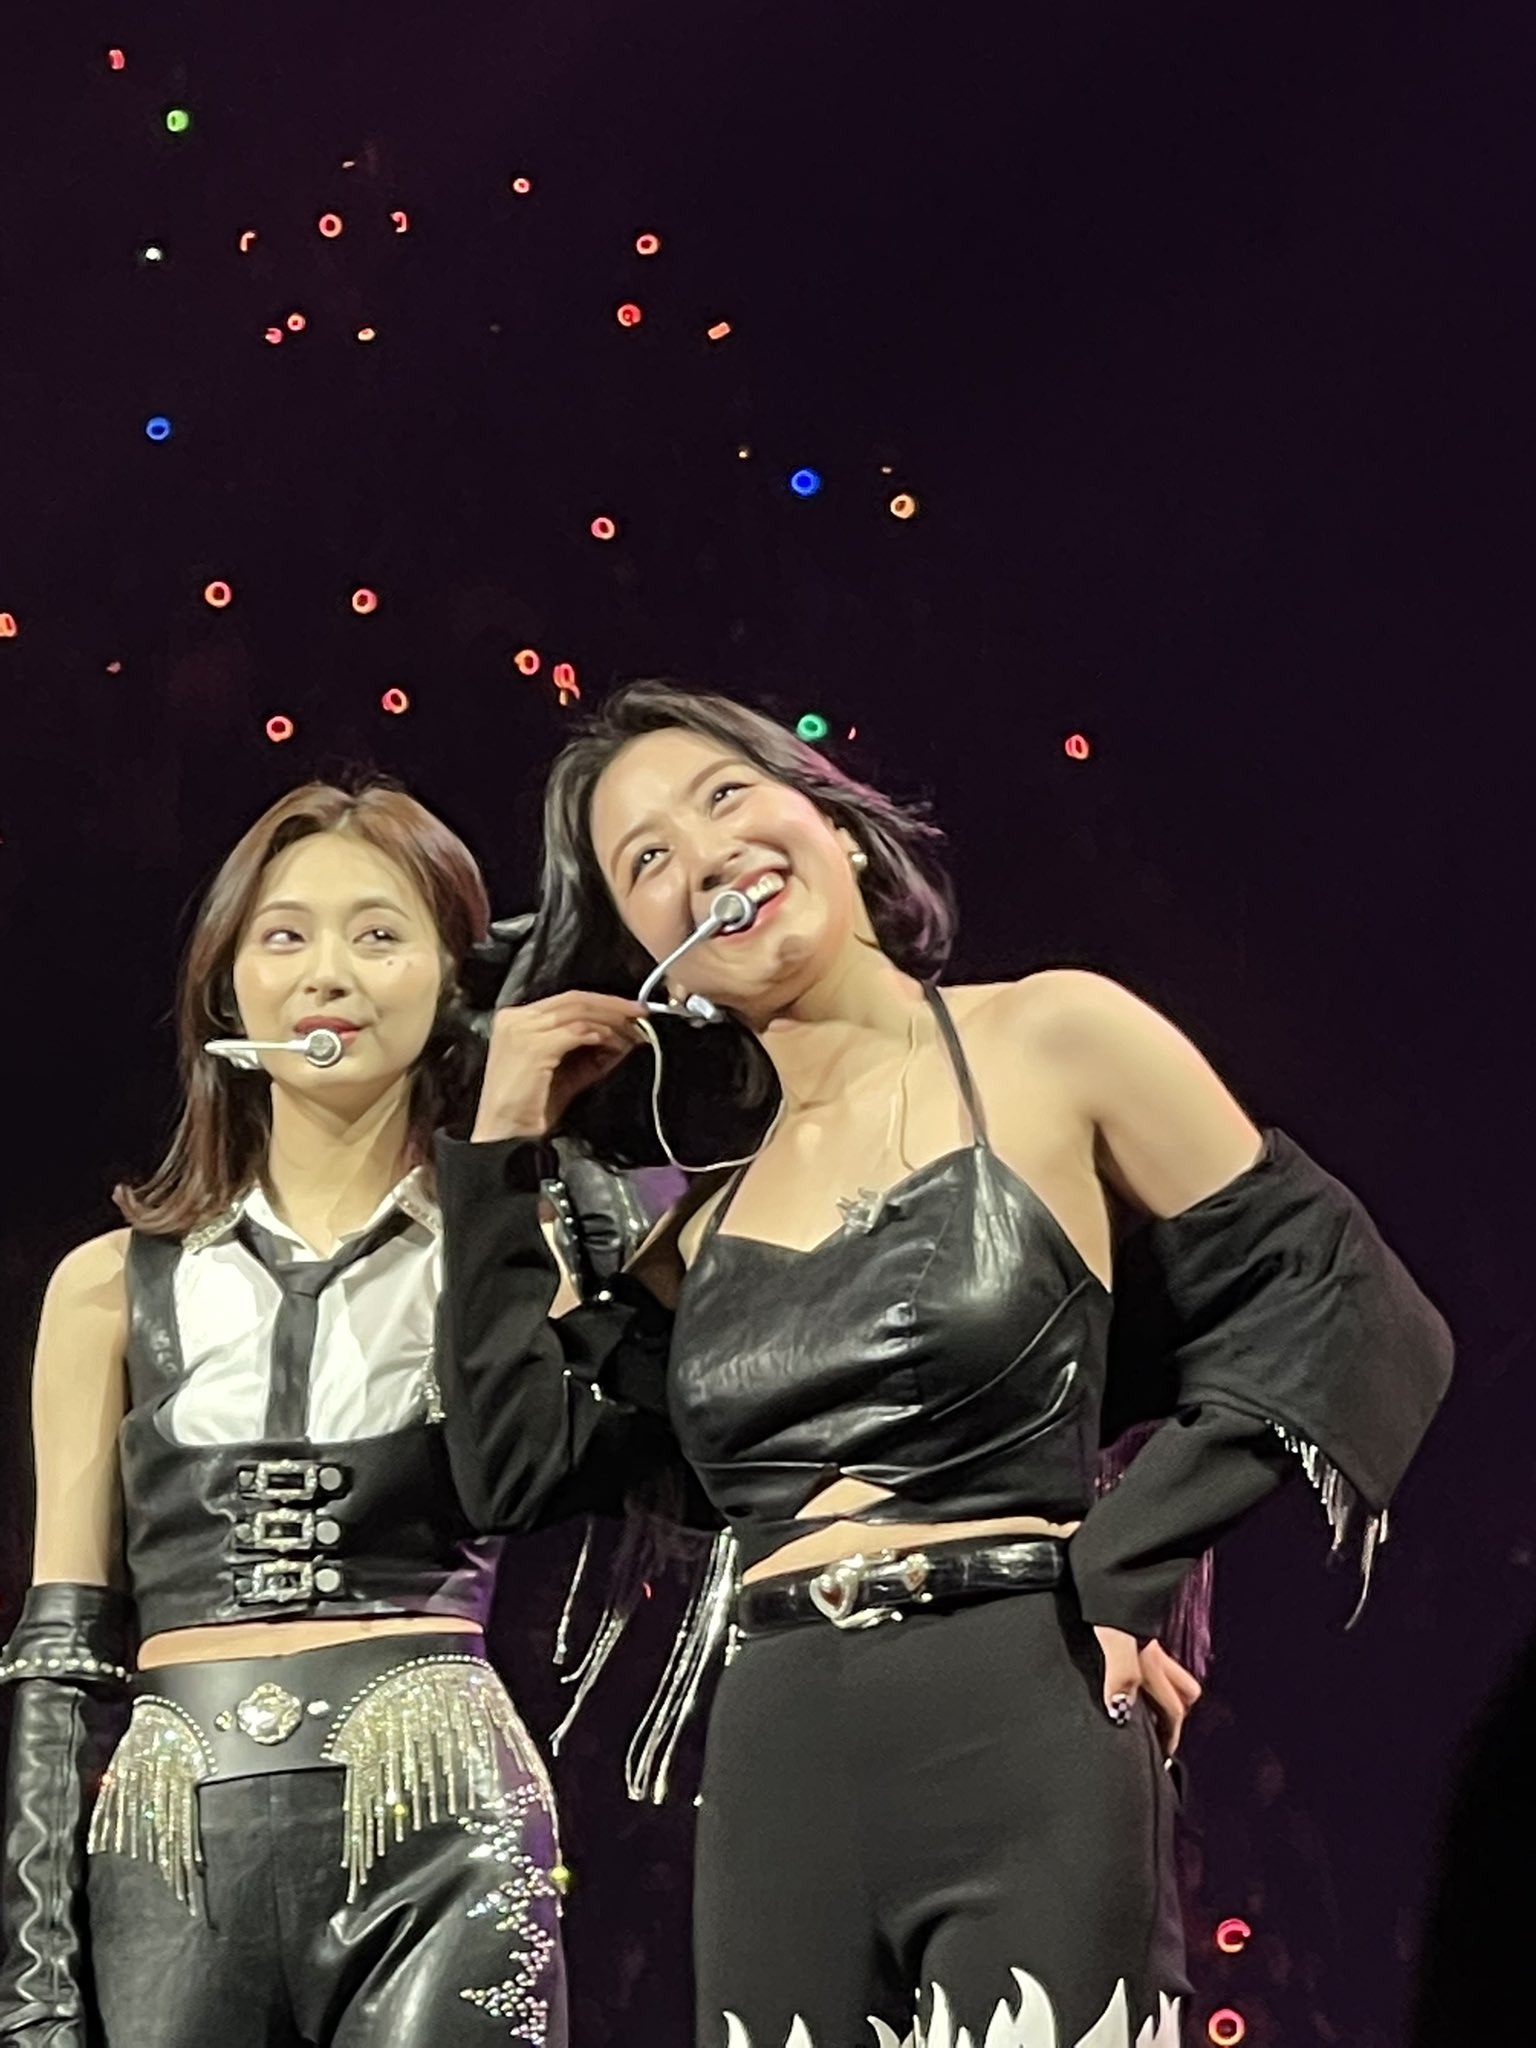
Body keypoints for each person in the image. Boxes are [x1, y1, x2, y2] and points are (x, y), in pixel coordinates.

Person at [433, 681, 1454, 2048]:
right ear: (652, 957)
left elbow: (1339, 1293)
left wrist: (1126, 1562)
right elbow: (509, 1464)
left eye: (726, 795)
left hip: (1022, 1698)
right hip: (780, 1748)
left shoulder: (1054, 1036)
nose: (705, 852)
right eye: (647, 857)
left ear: (838, 827)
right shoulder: (703, 1233)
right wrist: (500, 1137)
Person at [0, 782, 659, 2048]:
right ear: (227, 984)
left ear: (456, 979)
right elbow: (60, 1649)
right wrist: (34, 1987)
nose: (329, 974)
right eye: (286, 934)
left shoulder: (526, 1248)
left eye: (380, 933)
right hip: (170, 1840)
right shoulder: (104, 1285)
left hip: (443, 1819)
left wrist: (530, 1160)